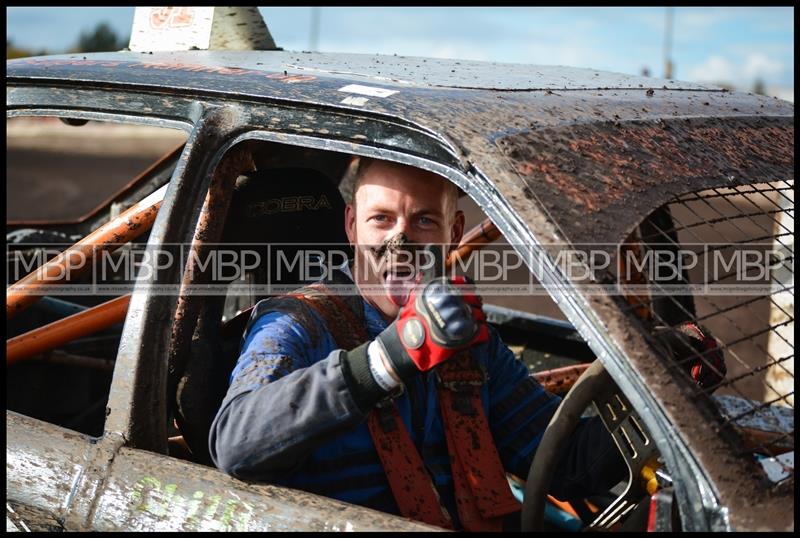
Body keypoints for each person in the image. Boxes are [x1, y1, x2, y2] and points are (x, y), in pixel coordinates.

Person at [209, 157, 629, 530]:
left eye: (424, 220)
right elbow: (235, 443)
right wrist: (386, 359)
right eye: (382, 219)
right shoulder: (297, 323)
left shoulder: (468, 341)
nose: (400, 240)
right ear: (352, 226)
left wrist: (669, 401)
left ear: (455, 231)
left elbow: (564, 462)